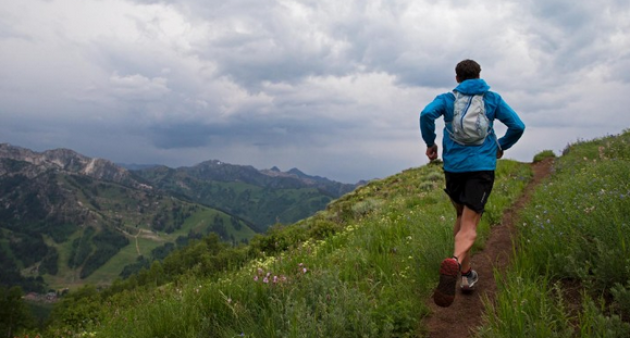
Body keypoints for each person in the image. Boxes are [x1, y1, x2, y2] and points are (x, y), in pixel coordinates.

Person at [419, 59, 525, 307]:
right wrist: (501, 145)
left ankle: (466, 276)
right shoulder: (492, 99)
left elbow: (426, 114)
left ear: (457, 78)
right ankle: (456, 262)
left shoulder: (447, 99)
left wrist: (430, 143)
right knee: (469, 223)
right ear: (479, 76)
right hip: (481, 168)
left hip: (454, 168)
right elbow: (518, 126)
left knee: (460, 214)